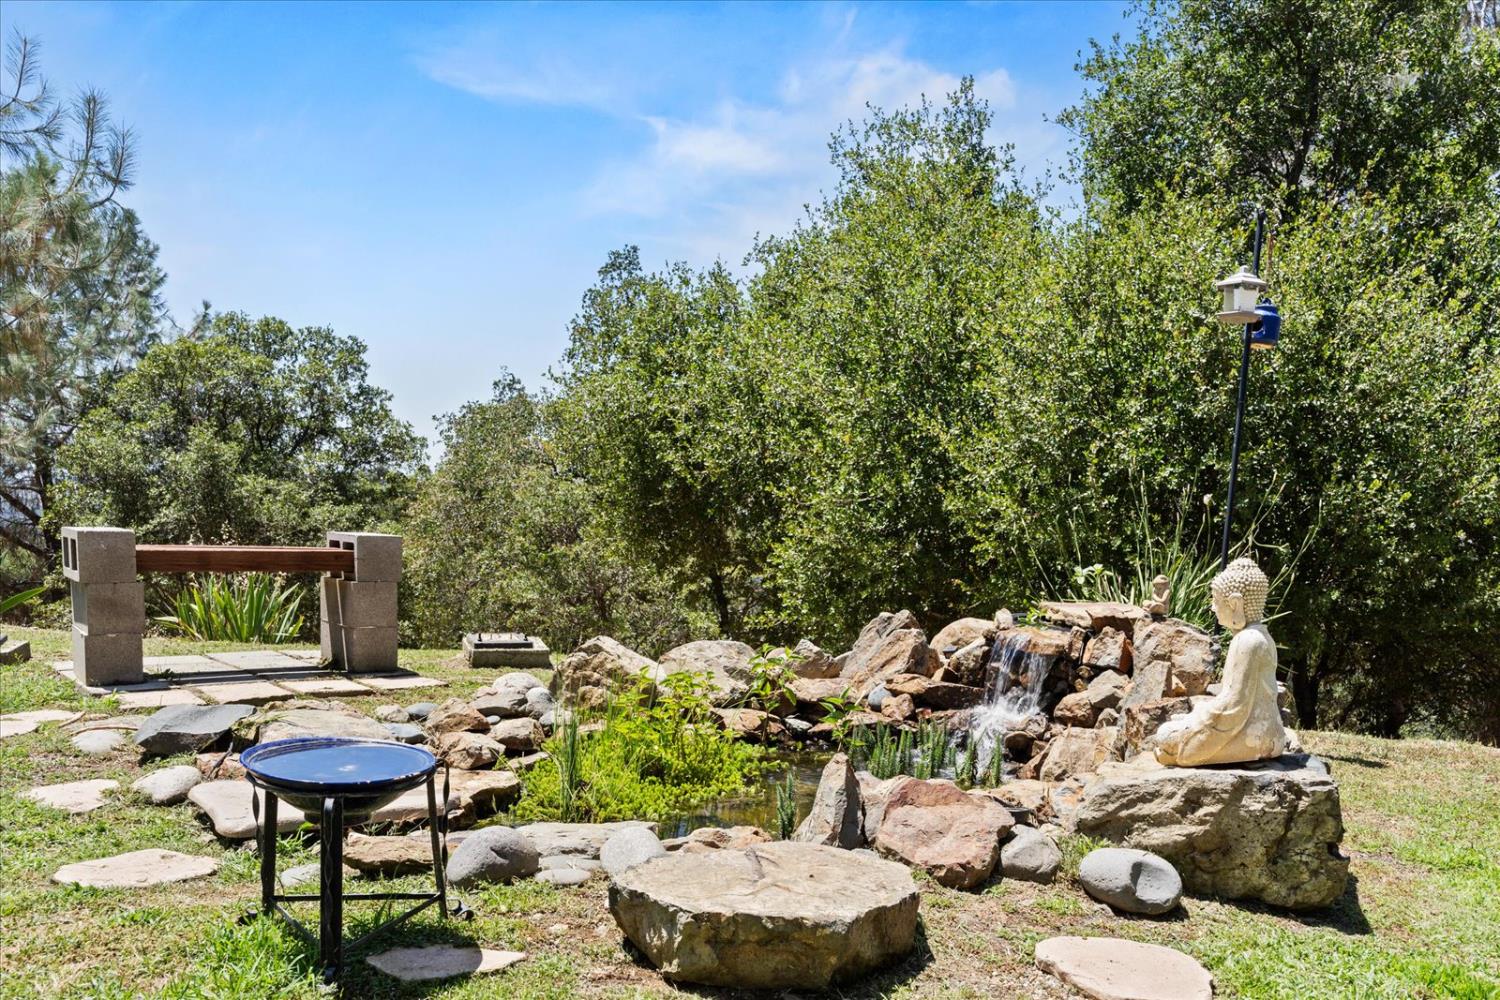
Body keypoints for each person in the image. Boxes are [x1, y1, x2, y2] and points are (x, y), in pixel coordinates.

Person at [1154, 557, 1286, 766]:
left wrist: (1196, 720)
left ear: (1235, 603)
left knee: (1166, 737)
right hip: (1268, 735)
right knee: (1173, 731)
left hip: (1254, 738)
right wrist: (1197, 716)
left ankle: (1179, 752)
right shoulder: (1261, 636)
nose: (1213, 608)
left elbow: (1234, 709)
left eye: (1216, 601)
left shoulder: (1248, 641)